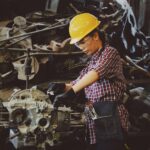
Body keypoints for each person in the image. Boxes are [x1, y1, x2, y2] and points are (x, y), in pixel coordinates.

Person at [48, 13, 130, 150]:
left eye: (82, 42)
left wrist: (72, 92)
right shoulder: (91, 62)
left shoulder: (110, 53)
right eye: (77, 44)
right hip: (93, 122)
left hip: (110, 120)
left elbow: (96, 73)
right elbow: (77, 83)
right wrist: (62, 87)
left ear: (96, 36)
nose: (80, 47)